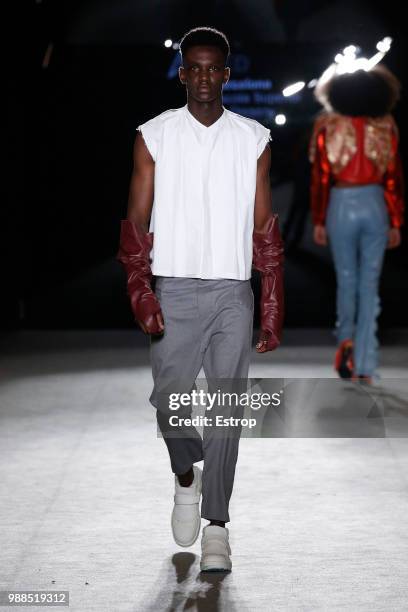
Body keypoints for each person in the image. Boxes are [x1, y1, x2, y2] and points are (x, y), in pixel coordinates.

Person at [117, 26, 284, 572]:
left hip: (232, 293)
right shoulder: (154, 136)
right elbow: (136, 222)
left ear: (227, 75)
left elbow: (264, 226)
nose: (206, 77)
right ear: (183, 73)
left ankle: (218, 527)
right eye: (196, 67)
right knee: (170, 402)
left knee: (227, 412)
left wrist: (271, 300)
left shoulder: (253, 138)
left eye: (216, 68)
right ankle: (185, 479)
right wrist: (140, 287)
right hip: (175, 288)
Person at [309, 61, 404, 384]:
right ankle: (365, 364)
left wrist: (319, 218)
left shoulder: (326, 126)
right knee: (369, 286)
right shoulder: (387, 125)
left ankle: (345, 347)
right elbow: (393, 178)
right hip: (375, 203)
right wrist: (395, 220)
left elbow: (320, 178)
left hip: (341, 204)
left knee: (347, 282)